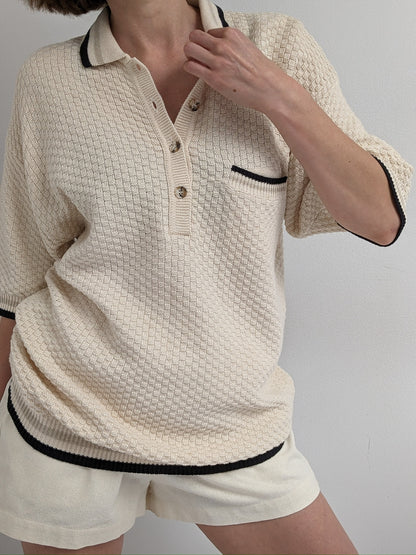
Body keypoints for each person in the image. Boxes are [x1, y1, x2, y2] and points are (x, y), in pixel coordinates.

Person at [0, 0, 413, 554]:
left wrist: (279, 96)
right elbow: (17, 274)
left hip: (233, 421)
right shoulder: (48, 79)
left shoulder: (278, 47)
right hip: (67, 416)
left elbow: (380, 220)